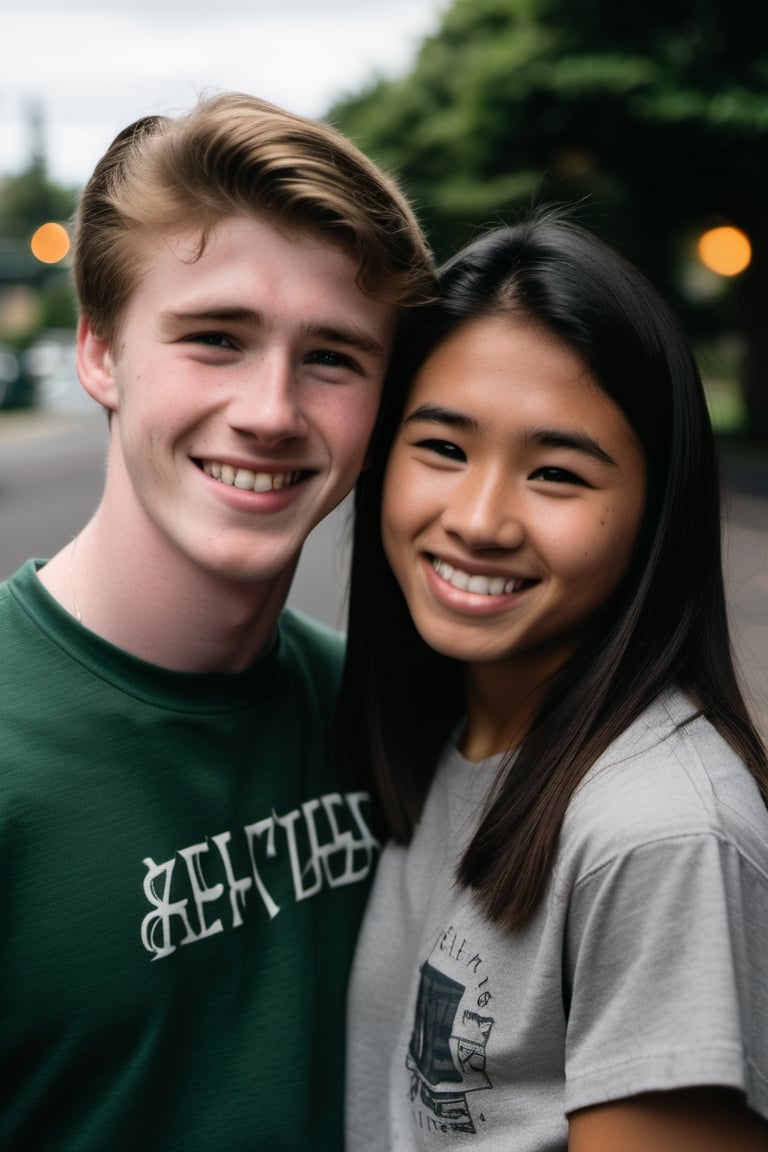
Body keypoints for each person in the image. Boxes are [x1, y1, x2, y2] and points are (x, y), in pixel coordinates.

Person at [0, 92, 434, 1150]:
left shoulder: (390, 716)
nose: (273, 410)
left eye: (332, 356)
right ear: (100, 353)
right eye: (215, 338)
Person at [339, 212, 768, 1150]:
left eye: (557, 473)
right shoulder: (453, 736)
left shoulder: (660, 834)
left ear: (655, 511)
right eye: (443, 448)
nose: (480, 518)